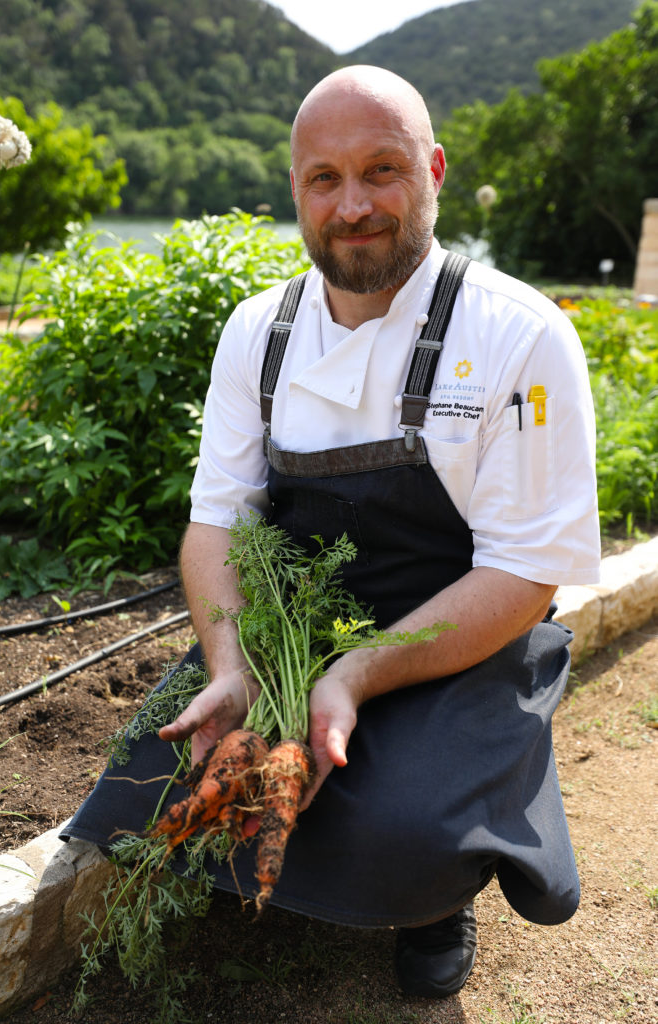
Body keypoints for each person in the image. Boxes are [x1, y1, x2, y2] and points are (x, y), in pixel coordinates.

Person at [63, 65, 601, 998]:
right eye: (325, 179)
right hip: (288, 629)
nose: (352, 206)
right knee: (145, 778)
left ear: (432, 171)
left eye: (381, 171)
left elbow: (524, 574)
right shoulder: (256, 331)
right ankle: (260, 839)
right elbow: (217, 523)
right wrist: (234, 666)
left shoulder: (519, 335)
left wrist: (352, 675)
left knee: (408, 831)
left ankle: (435, 895)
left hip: (455, 639)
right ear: (297, 192)